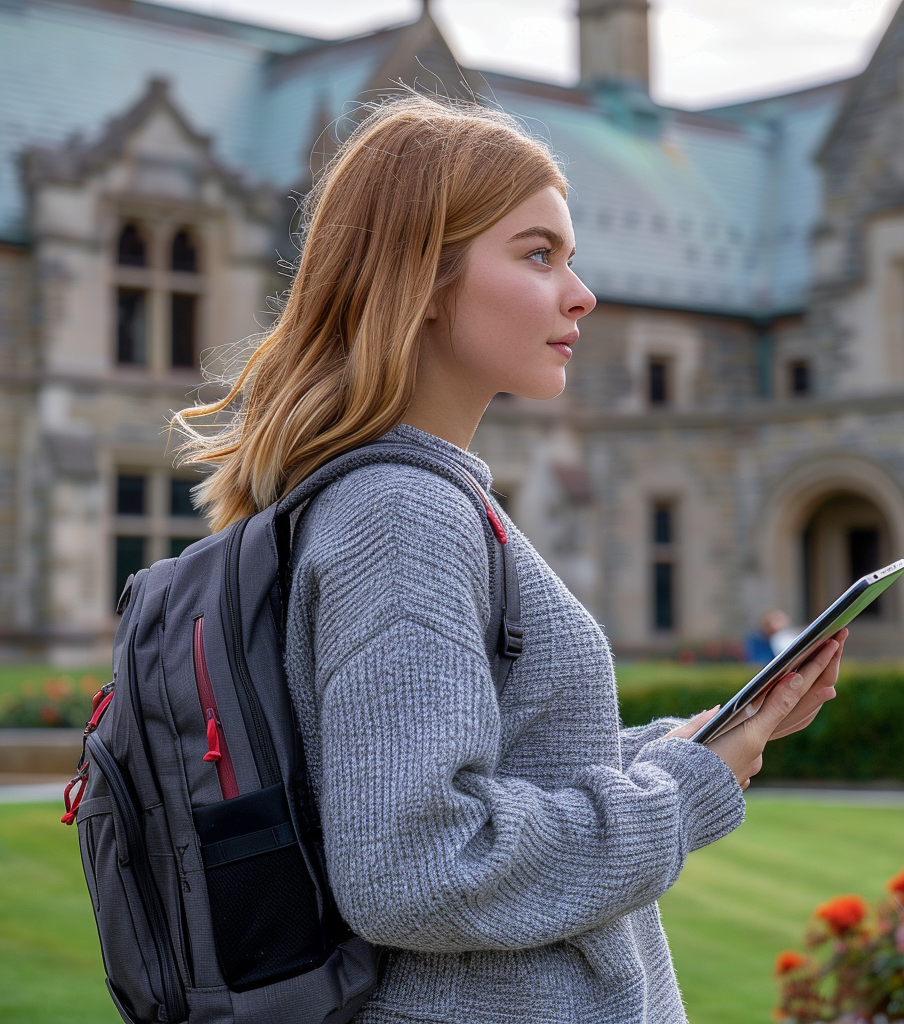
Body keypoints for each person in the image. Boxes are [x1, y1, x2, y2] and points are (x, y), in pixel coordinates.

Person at [176, 95, 847, 1024]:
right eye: (539, 255)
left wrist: (689, 747)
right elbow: (419, 868)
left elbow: (479, 779)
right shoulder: (401, 514)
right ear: (425, 278)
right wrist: (687, 793)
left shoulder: (407, 497)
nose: (583, 293)